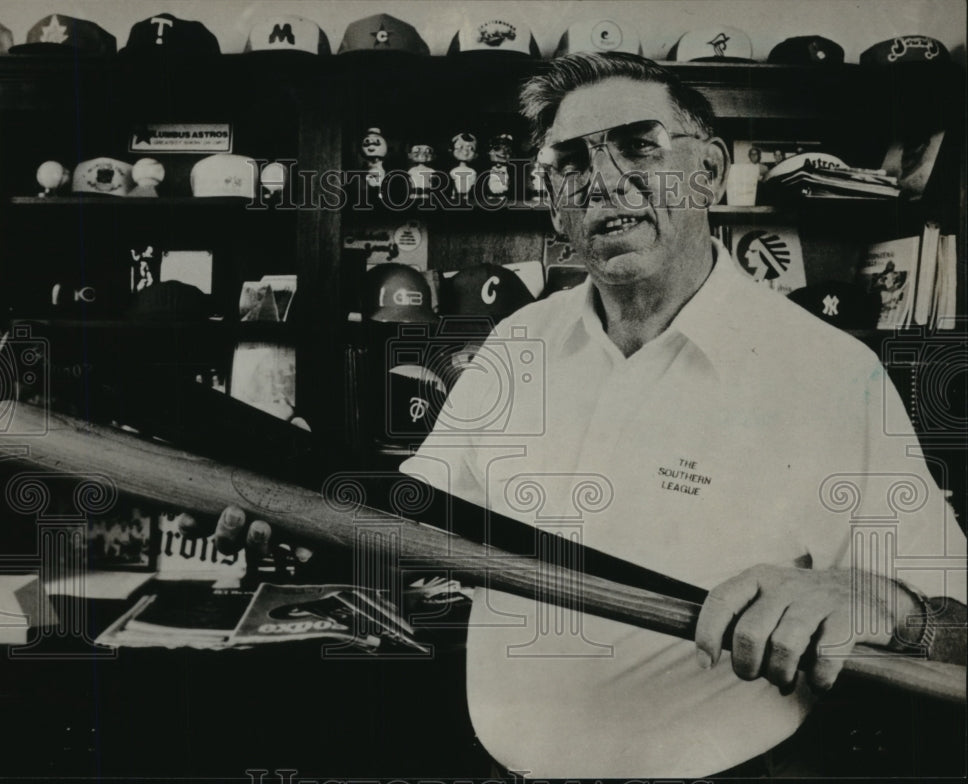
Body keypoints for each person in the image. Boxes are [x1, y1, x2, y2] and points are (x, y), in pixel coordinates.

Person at [190, 53, 965, 778]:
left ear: (709, 170)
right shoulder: (518, 340)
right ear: (553, 201)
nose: (602, 180)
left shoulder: (829, 373)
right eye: (569, 162)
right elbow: (413, 525)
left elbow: (956, 626)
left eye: (639, 145)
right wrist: (309, 522)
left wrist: (872, 600)